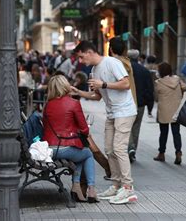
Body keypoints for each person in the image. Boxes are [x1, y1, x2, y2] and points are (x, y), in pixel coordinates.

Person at [71, 41, 138, 205]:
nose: (80, 61)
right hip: (112, 113)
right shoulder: (94, 71)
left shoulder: (111, 62)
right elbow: (97, 96)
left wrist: (104, 84)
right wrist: (78, 92)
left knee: (119, 148)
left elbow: (126, 84)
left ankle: (128, 188)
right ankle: (116, 185)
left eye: (81, 57)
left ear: (88, 52)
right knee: (109, 149)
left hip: (125, 111)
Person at [42, 75, 98, 203]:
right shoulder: (73, 103)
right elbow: (85, 130)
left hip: (49, 149)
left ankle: (76, 188)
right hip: (64, 147)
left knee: (79, 155)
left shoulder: (48, 105)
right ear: (65, 86)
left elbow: (46, 126)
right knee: (88, 154)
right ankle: (91, 189)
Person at [153, 62, 186, 164]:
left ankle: (161, 153)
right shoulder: (177, 79)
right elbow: (185, 87)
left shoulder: (158, 82)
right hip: (176, 110)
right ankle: (178, 152)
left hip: (163, 111)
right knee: (176, 133)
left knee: (163, 133)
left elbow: (156, 97)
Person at [126, 49, 155, 163]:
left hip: (127, 103)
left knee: (127, 127)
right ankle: (133, 149)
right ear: (138, 58)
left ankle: (130, 147)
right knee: (136, 127)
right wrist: (150, 107)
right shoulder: (144, 71)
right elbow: (150, 90)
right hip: (140, 104)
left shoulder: (124, 70)